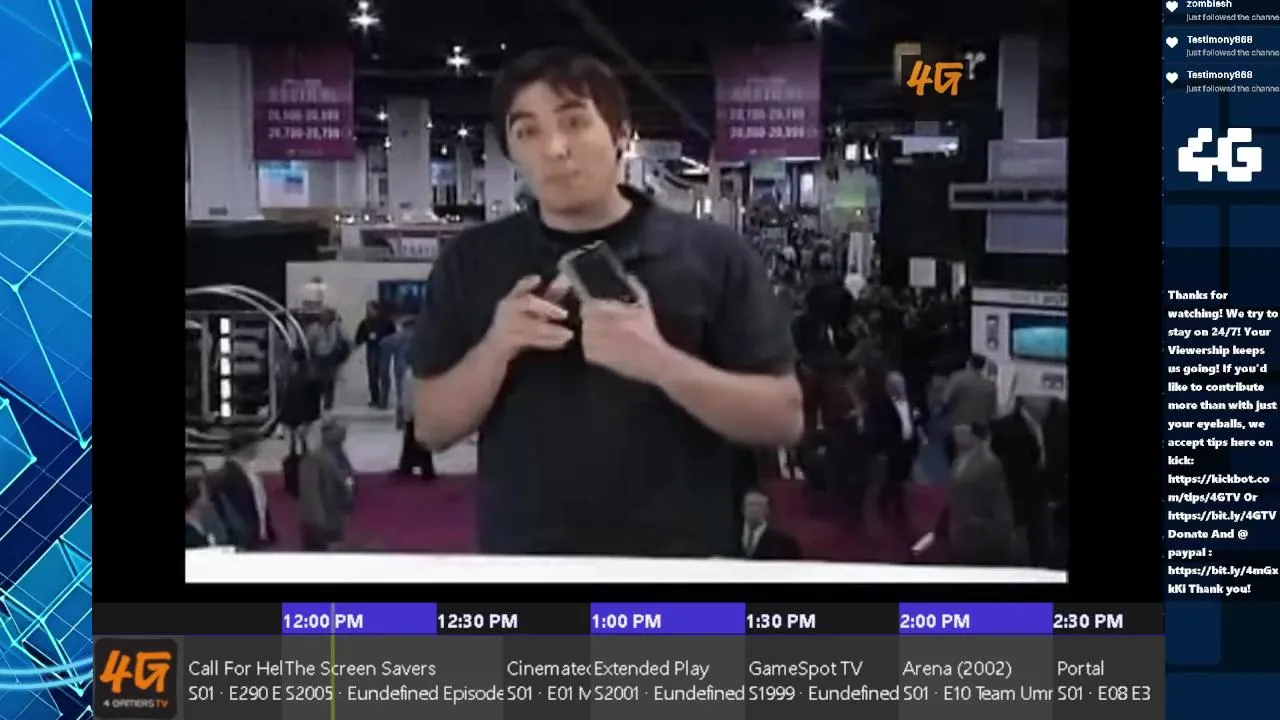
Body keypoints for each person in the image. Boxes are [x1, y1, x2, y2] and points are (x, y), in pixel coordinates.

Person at [411, 48, 803, 556]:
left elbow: (783, 419)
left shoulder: (714, 256)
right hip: (526, 563)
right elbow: (431, 427)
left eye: (574, 122)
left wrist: (659, 363)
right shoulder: (472, 261)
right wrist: (496, 348)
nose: (554, 148)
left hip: (680, 563)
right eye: (527, 132)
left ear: (621, 133)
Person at [298, 419, 356, 550]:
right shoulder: (314, 459)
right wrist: (317, 520)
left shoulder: (339, 455)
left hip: (336, 515)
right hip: (320, 521)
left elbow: (347, 477)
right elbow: (311, 494)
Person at [212, 432, 276, 549]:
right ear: (245, 447)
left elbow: (260, 503)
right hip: (244, 534)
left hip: (257, 532)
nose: (257, 449)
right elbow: (229, 508)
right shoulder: (227, 474)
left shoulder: (249, 471)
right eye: (255, 446)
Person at [940, 353, 997, 461]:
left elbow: (945, 401)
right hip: (980, 430)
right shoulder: (990, 385)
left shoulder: (957, 377)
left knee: (954, 455)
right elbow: (992, 412)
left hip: (959, 427)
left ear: (969, 363)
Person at [738, 486, 801, 560]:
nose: (754, 509)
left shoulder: (784, 542)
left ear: (767, 510)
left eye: (758, 505)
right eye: (750, 504)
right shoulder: (730, 537)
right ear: (743, 508)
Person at [397, 365, 437, 479]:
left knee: (418, 437)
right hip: (420, 407)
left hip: (419, 408)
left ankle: (421, 467)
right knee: (414, 436)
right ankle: (412, 465)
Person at [355, 301, 397, 408]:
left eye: (370, 309)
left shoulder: (386, 322)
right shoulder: (365, 323)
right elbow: (358, 338)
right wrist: (365, 338)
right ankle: (375, 398)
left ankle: (383, 399)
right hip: (372, 349)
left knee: (383, 374)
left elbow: (394, 335)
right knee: (373, 375)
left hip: (384, 349)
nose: (368, 311)